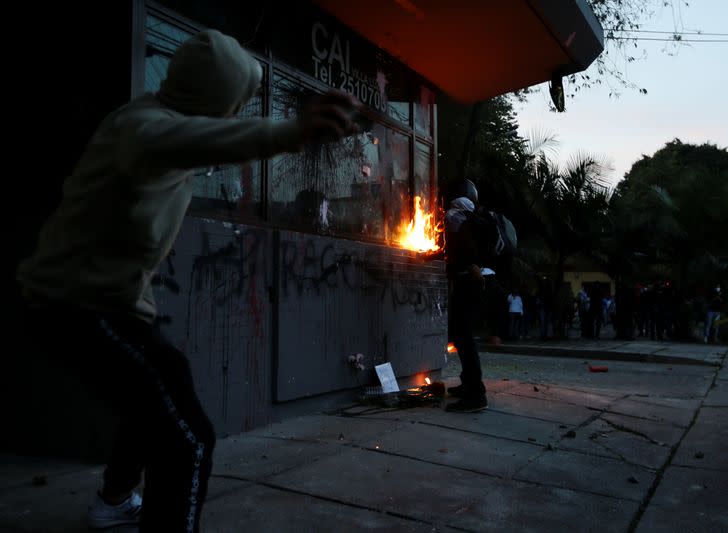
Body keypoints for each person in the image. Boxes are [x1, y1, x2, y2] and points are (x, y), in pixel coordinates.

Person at [16, 29, 365, 532]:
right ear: (211, 100)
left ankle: (113, 500)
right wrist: (291, 130)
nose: (231, 117)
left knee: (161, 396)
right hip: (76, 305)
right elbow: (197, 141)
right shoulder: (147, 130)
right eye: (232, 104)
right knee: (188, 440)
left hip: (103, 304)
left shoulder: (156, 127)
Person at [444, 179, 489, 413]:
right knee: (460, 335)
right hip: (467, 284)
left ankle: (476, 393)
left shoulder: (463, 220)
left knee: (464, 337)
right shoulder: (469, 221)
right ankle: (467, 383)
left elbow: (466, 256)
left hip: (468, 285)